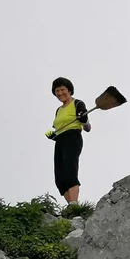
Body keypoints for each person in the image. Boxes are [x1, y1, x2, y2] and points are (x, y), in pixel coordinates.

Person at [46, 77, 91, 205]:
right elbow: (59, 128)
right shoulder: (58, 110)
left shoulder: (77, 103)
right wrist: (53, 135)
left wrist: (84, 120)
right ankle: (71, 205)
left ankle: (74, 204)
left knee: (70, 170)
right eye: (57, 91)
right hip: (60, 140)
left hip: (73, 137)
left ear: (69, 90)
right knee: (60, 177)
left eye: (62, 89)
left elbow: (87, 128)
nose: (60, 93)